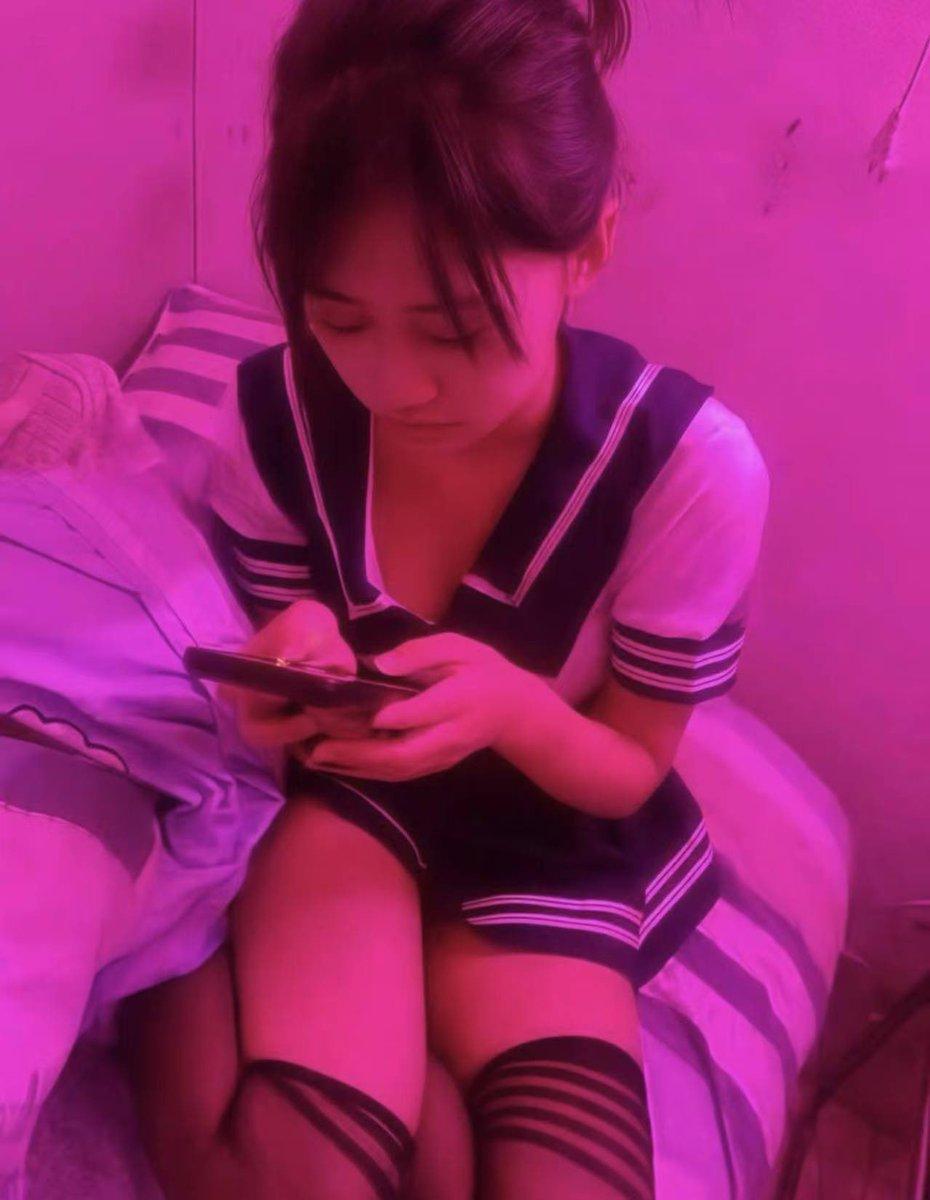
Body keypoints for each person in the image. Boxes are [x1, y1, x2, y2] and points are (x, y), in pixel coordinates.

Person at [119, 1, 771, 1197]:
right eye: (339, 318)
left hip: (547, 827)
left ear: (592, 247)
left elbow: (631, 764)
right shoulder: (276, 416)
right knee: (291, 1177)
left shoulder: (684, 467)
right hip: (352, 799)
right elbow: (279, 640)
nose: (395, 382)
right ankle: (171, 955)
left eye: (456, 331)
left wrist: (511, 710)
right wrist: (287, 661)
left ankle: (410, 1071)